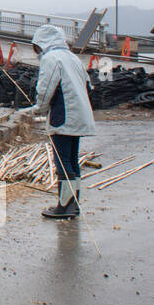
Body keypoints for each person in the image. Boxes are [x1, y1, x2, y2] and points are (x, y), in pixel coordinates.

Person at [31, 24, 96, 219]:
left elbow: (45, 90)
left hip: (64, 117)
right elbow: (89, 86)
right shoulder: (73, 58)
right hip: (80, 115)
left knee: (62, 161)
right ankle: (73, 204)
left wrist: (37, 109)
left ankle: (64, 206)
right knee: (72, 159)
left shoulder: (51, 59)